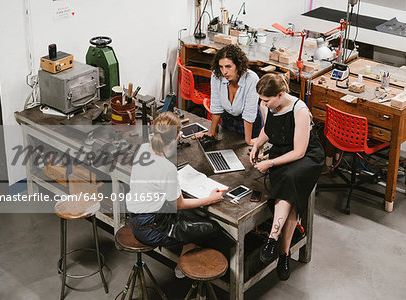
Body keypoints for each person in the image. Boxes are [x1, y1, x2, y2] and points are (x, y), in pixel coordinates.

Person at [126, 112, 235, 274]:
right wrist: (209, 199)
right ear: (177, 136)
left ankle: (186, 254)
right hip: (150, 229)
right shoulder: (166, 167)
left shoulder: (142, 148)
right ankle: (204, 270)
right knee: (215, 230)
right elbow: (180, 204)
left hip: (134, 219)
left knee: (192, 220)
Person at [249, 73, 324, 281]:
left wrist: (270, 163)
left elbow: (299, 152)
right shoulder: (269, 105)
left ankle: (273, 239)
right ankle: (283, 253)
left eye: (266, 100)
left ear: (280, 95)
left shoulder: (299, 110)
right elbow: (268, 129)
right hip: (282, 152)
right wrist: (257, 144)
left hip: (306, 155)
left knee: (290, 178)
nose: (262, 103)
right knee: (289, 196)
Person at [199, 44, 263, 145]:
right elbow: (216, 105)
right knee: (226, 146)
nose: (224, 72)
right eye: (221, 67)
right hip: (229, 121)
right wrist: (213, 133)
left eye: (228, 66)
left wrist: (248, 140)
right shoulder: (217, 75)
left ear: (238, 65)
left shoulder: (251, 79)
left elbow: (249, 114)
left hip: (250, 125)